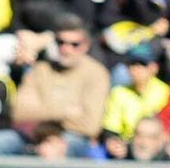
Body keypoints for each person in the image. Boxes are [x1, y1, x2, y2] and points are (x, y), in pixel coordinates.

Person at [12, 14, 110, 155]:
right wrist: (66, 112)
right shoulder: (40, 69)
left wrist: (43, 111)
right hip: (37, 133)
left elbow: (91, 126)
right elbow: (18, 112)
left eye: (74, 44)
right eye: (60, 42)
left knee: (63, 145)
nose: (66, 49)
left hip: (73, 137)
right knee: (2, 141)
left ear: (86, 45)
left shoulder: (97, 73)